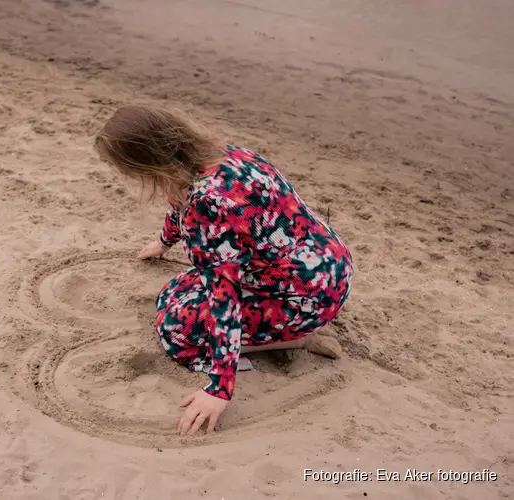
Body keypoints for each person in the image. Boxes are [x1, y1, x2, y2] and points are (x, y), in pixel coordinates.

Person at [94, 105, 354, 436]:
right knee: (176, 292)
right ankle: (295, 330)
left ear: (145, 162)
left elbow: (224, 298)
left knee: (178, 331)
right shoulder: (221, 155)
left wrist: (220, 387)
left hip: (302, 295)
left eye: (126, 170)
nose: (127, 177)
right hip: (327, 268)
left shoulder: (206, 204)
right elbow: (179, 202)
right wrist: (163, 242)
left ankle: (299, 339)